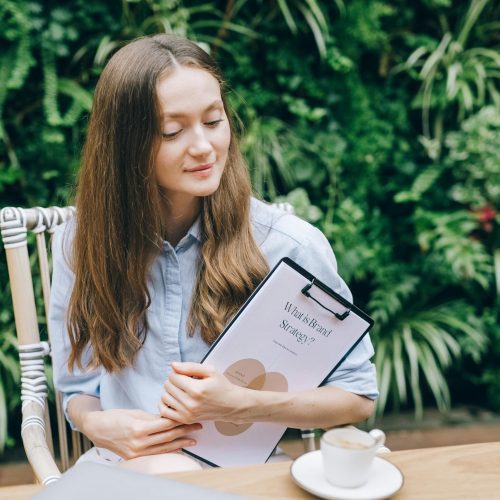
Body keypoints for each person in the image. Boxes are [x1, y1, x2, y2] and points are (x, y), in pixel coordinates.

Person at [49, 33, 378, 473]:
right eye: (172, 131)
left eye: (213, 120)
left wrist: (244, 405)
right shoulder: (79, 243)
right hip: (125, 465)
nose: (204, 146)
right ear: (124, 145)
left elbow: (356, 398)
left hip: (245, 473)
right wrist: (99, 425)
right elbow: (78, 387)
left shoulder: (287, 246)